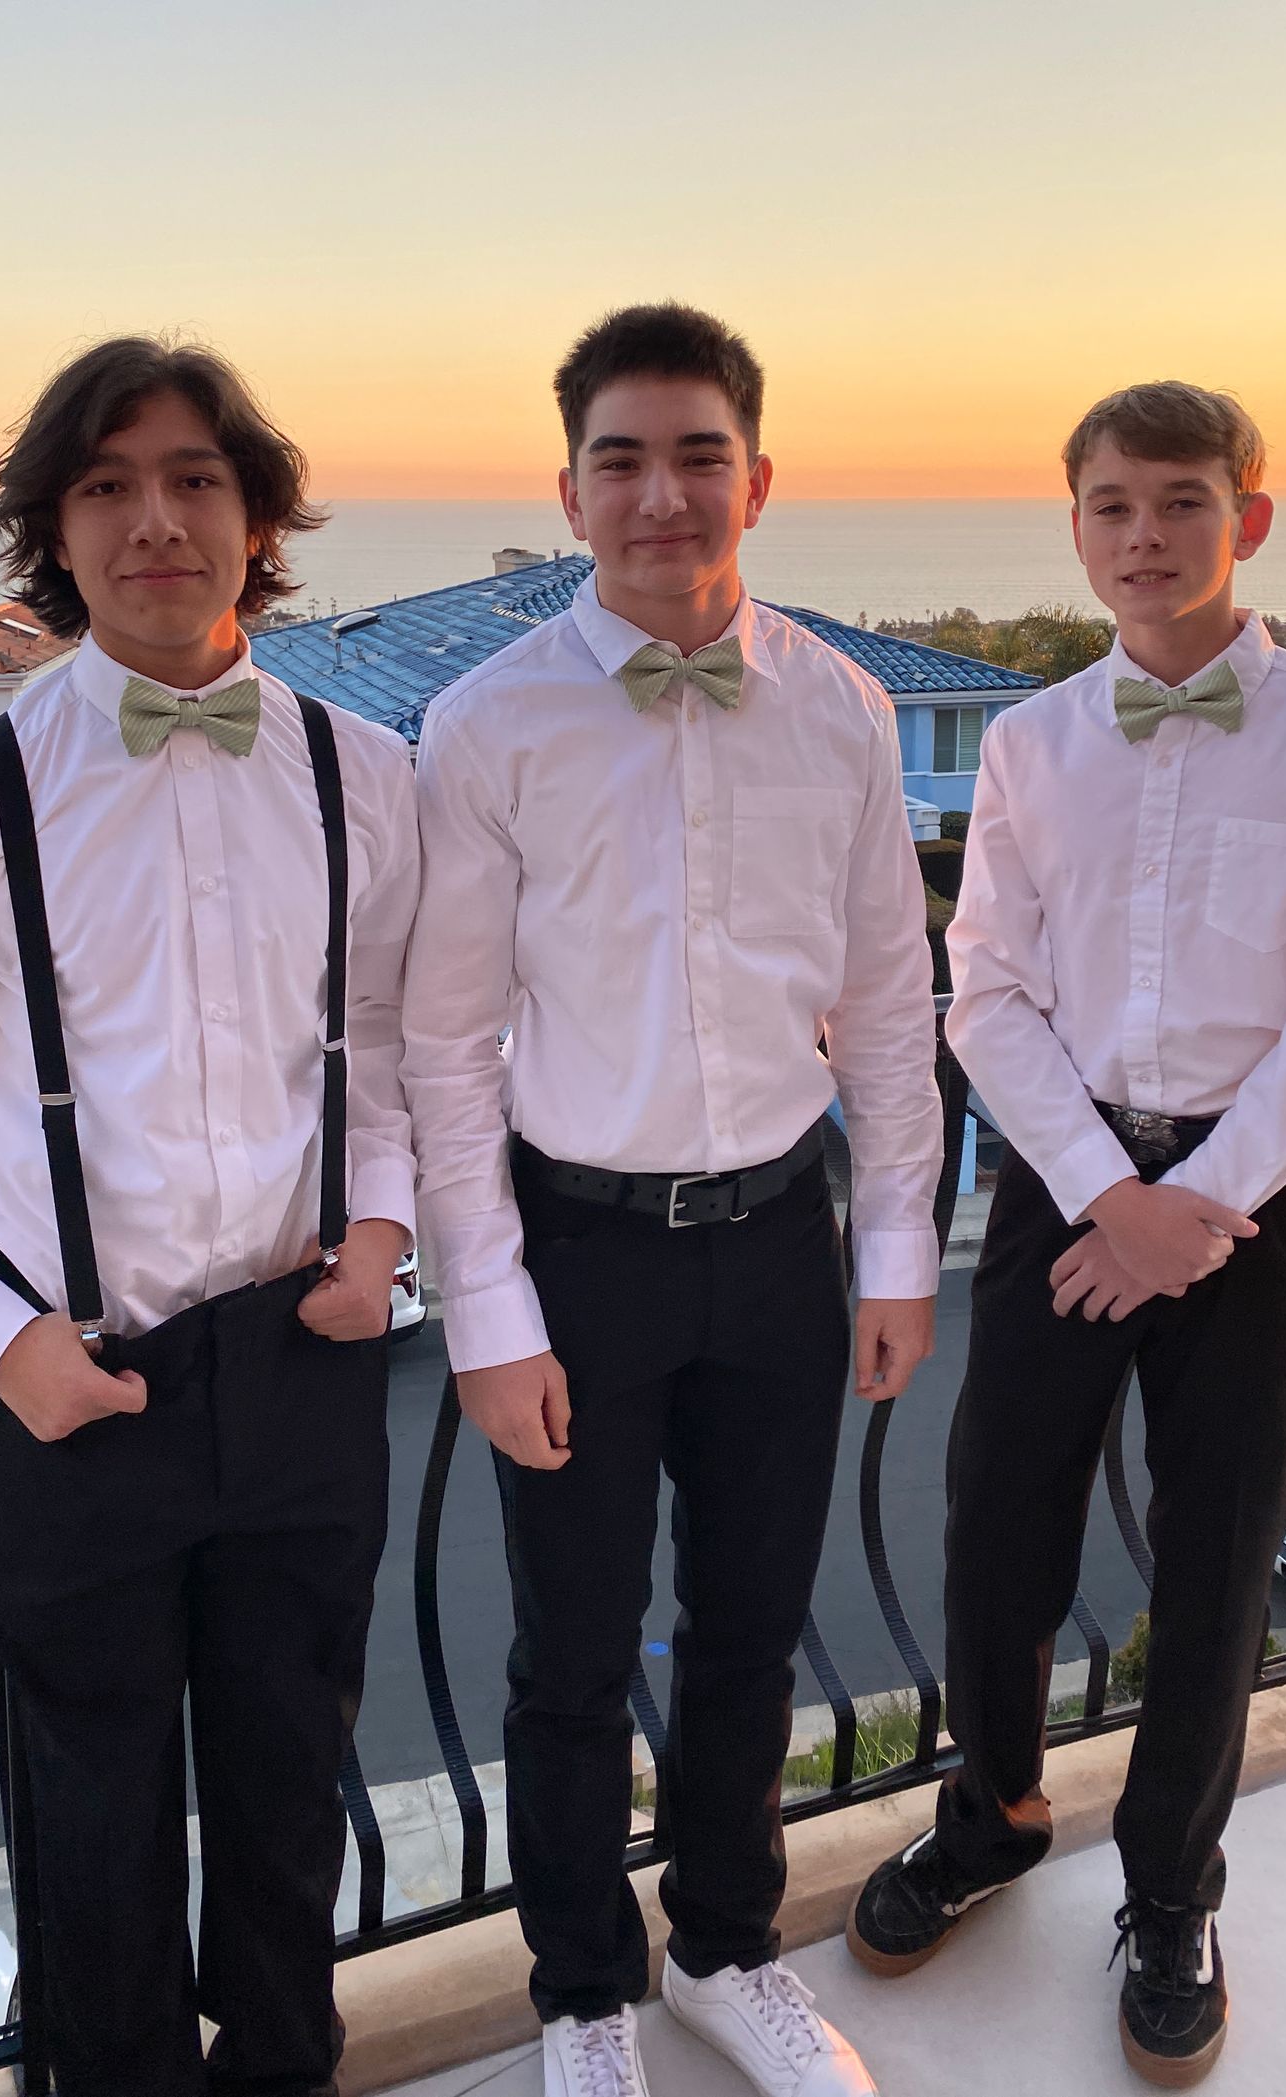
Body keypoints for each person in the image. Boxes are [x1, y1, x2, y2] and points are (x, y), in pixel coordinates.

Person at [0, 336, 420, 2097]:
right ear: (52, 532)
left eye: (198, 478)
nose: (157, 520)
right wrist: (1, 1345)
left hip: (299, 1363)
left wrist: (381, 1235)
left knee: (290, 1793)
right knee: (95, 1830)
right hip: (72, 1392)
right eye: (109, 485)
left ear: (258, 518)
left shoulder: (366, 773)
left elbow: (396, 1039)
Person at [847, 381, 1286, 2085]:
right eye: (1112, 505)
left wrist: (1199, 1203)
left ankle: (1172, 1892)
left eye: (1181, 501)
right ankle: (994, 1810)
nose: (1145, 535)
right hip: (1070, 1183)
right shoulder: (1032, 745)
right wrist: (1114, 1197)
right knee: (995, 1519)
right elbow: (985, 990)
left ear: (1251, 517)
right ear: (1078, 527)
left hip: (1252, 1194)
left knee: (1221, 1552)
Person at [401, 302, 942, 2097]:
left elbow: (889, 1003)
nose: (661, 494)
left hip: (782, 1239)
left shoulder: (845, 709)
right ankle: (582, 1991)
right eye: (620, 459)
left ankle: (724, 1949)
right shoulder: (486, 726)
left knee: (750, 1628)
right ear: (568, 492)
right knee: (569, 1652)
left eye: (698, 456)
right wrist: (487, 1314)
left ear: (757, 481)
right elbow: (446, 1046)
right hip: (578, 1249)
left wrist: (897, 1251)